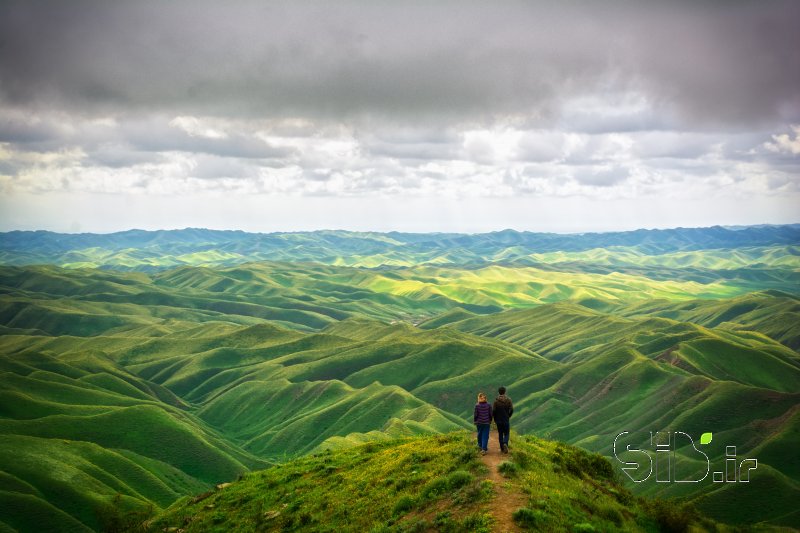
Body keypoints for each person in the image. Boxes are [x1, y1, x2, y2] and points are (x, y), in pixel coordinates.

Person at [493, 386, 514, 453]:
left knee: (500, 434)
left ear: (499, 392)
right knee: (507, 433)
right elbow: (512, 409)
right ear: (505, 392)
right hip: (506, 419)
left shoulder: (496, 401)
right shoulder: (509, 400)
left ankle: (502, 449)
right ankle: (505, 443)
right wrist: (509, 415)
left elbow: (493, 411)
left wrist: (495, 418)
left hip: (498, 420)